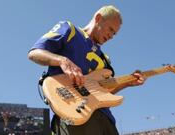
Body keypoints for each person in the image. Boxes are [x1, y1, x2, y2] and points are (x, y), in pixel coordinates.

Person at [28, 5, 146, 135]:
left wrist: (128, 82)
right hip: (75, 111)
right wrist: (62, 60)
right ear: (98, 18)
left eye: (114, 33)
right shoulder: (69, 30)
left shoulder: (105, 59)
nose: (112, 36)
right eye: (111, 29)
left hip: (106, 119)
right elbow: (35, 53)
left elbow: (105, 91)